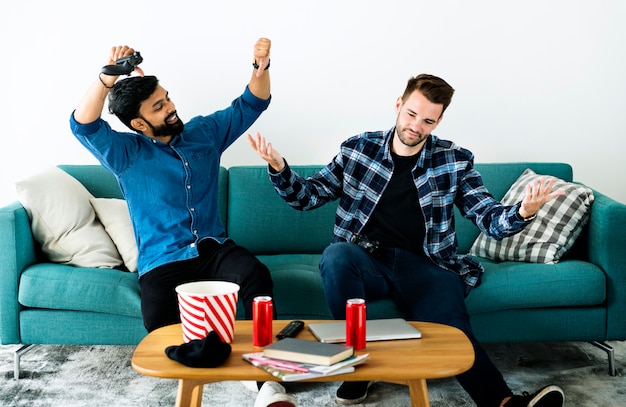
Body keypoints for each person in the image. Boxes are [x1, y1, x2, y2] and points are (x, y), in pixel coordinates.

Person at [248, 74, 566, 407]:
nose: (416, 126)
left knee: (454, 329)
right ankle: (356, 368)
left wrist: (523, 212)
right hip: (366, 261)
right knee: (336, 256)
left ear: (439, 120)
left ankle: (504, 403)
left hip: (428, 266)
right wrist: (279, 167)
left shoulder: (454, 160)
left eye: (428, 120)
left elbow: (487, 216)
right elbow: (307, 197)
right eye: (412, 114)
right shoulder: (358, 149)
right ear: (398, 105)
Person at [70, 39, 296, 407]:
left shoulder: (204, 133)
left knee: (256, 276)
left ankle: (264, 373)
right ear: (140, 124)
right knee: (157, 320)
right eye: (160, 107)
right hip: (164, 259)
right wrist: (107, 77)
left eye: (168, 98)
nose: (172, 107)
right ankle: (216, 355)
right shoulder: (126, 152)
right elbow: (84, 125)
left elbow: (253, 102)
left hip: (214, 249)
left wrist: (260, 66)